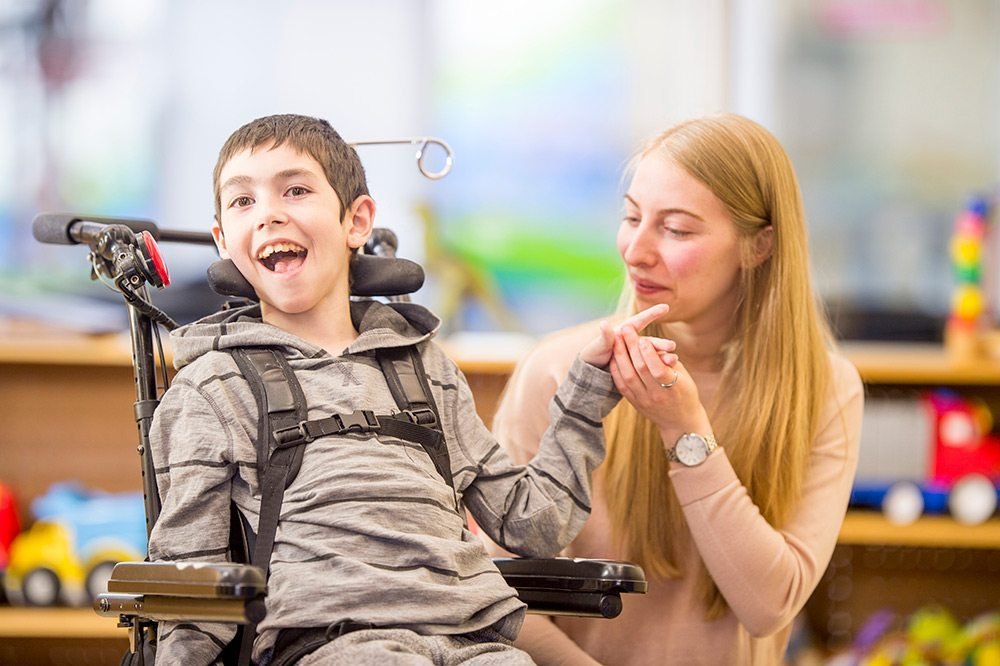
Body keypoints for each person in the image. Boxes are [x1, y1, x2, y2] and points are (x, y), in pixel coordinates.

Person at [145, 113, 668, 665]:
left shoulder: (424, 369)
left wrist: (587, 393)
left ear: (357, 220)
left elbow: (532, 523)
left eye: (295, 190)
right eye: (243, 201)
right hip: (335, 642)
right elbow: (189, 588)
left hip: (475, 639)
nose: (270, 213)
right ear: (225, 241)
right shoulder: (211, 387)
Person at [489, 113, 864, 665]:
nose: (636, 250)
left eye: (677, 229)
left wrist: (685, 430)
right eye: (631, 217)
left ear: (759, 246)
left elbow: (768, 605)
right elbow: (494, 594)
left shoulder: (826, 390)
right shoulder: (556, 371)